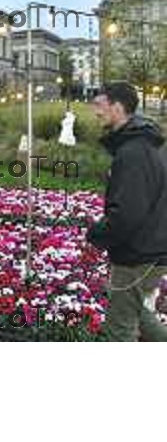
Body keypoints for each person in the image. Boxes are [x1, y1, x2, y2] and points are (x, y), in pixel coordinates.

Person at [87, 81, 167, 341]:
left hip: (137, 255)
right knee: (135, 311)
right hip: (148, 250)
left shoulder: (133, 151)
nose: (95, 111)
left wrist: (96, 232)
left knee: (119, 331)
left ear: (118, 107)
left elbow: (127, 214)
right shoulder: (145, 143)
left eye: (99, 105)